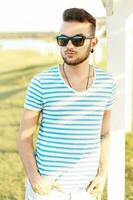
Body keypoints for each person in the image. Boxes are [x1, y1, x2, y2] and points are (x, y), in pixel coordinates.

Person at [18, 7, 117, 200]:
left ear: (93, 42)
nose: (68, 46)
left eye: (78, 40)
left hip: (87, 191)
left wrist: (102, 174)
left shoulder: (107, 83)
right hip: (49, 190)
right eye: (63, 40)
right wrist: (34, 179)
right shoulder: (41, 83)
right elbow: (24, 137)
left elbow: (104, 134)